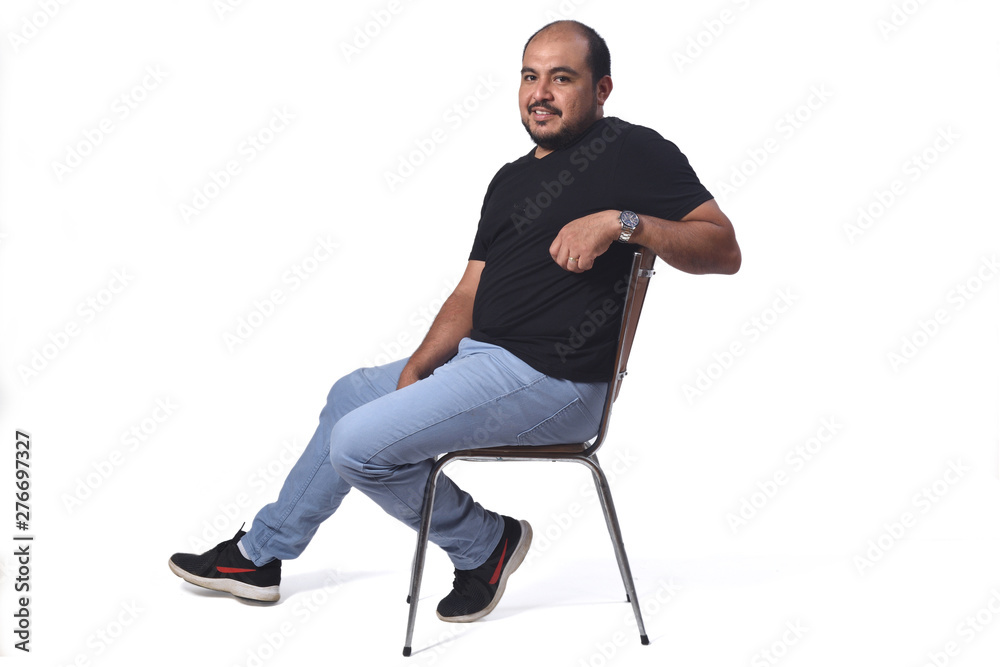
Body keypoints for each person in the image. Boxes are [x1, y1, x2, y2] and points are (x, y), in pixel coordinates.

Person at [169, 19, 740, 623]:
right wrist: (420, 366)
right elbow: (471, 290)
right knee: (349, 397)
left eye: (562, 78)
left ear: (601, 89)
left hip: (559, 381)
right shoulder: (510, 179)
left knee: (357, 446)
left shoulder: (632, 150)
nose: (540, 93)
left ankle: (484, 544)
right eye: (530, 77)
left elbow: (724, 248)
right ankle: (258, 557)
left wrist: (622, 223)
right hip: (482, 363)